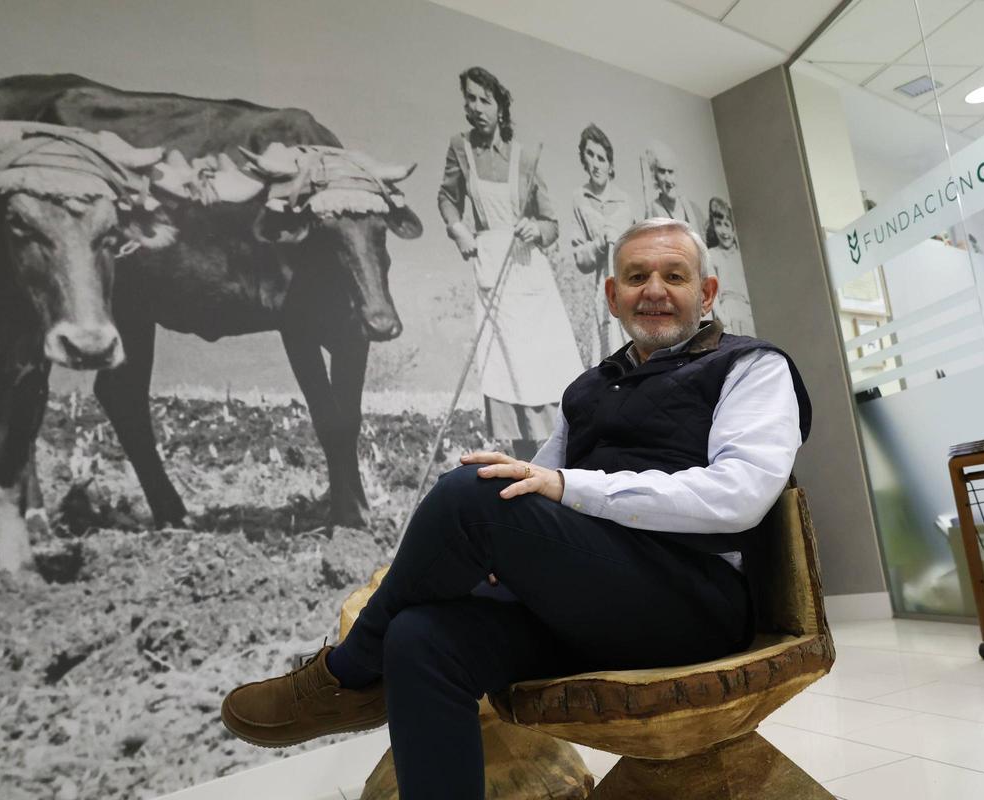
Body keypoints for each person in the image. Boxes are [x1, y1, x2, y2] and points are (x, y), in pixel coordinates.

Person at [220, 218, 812, 800]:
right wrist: (526, 527)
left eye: (673, 275)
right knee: (420, 636)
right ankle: (369, 665)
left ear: (705, 292)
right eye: (636, 276)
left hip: (691, 604)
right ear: (612, 296)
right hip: (592, 601)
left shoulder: (750, 367)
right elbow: (538, 482)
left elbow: (739, 496)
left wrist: (562, 490)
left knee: (473, 496)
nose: (653, 290)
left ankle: (344, 676)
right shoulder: (589, 387)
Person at [436, 66, 582, 461]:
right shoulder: (460, 149)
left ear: (500, 106)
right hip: (490, 269)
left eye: (485, 99)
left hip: (528, 274)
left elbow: (551, 223)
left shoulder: (526, 156)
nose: (477, 107)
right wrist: (458, 229)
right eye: (470, 99)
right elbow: (447, 198)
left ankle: (558, 460)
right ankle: (521, 461)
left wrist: (537, 228)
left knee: (542, 368)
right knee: (505, 368)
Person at [570, 123, 634, 362]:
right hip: (604, 288)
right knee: (611, 353)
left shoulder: (626, 201)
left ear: (610, 163)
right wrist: (599, 243)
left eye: (601, 157)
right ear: (583, 159)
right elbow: (580, 257)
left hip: (631, 282)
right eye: (590, 155)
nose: (596, 163)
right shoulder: (580, 199)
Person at [706, 197, 756, 336]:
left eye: (727, 224)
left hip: (748, 312)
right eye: (718, 224)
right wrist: (721, 315)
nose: (723, 231)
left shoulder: (742, 255)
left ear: (734, 228)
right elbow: (711, 291)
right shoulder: (712, 254)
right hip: (728, 309)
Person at [644, 140, 705, 231]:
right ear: (655, 176)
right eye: (662, 172)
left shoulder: (694, 210)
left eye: (671, 172)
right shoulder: (652, 213)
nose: (668, 179)